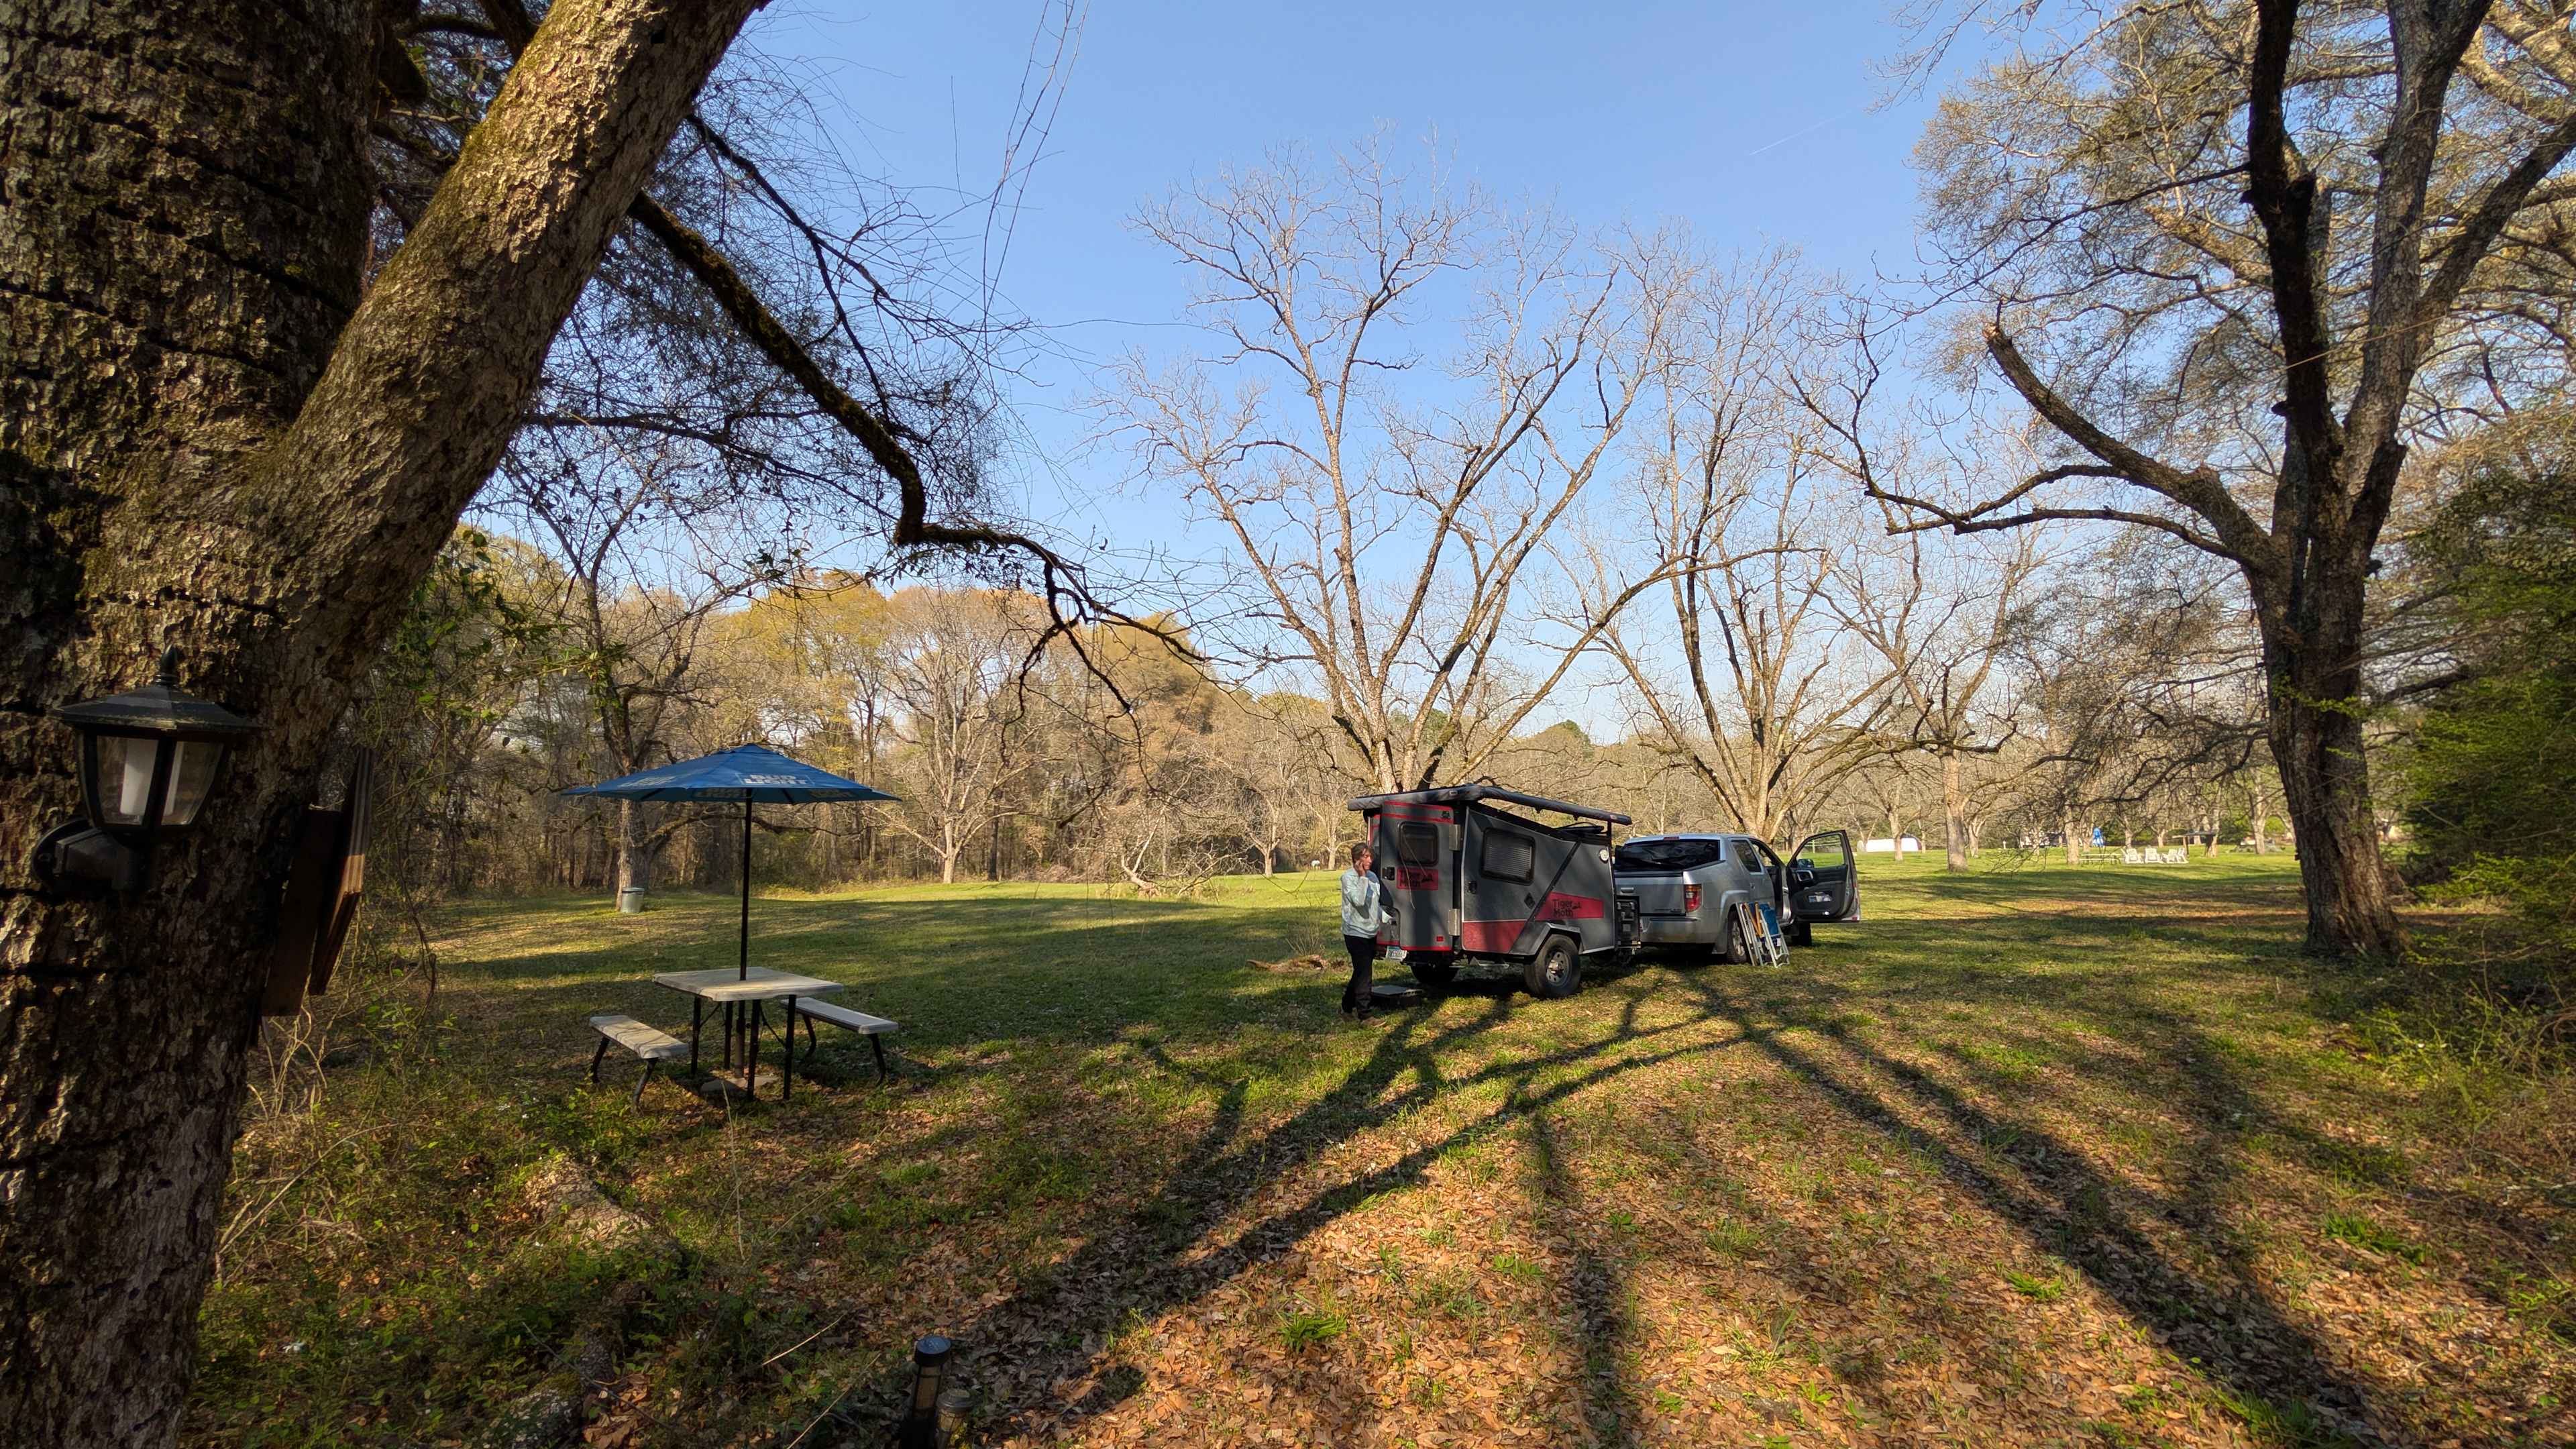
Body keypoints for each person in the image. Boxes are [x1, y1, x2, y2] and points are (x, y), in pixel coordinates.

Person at [1338, 841, 1389, 1020]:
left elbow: (1374, 905)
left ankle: (1346, 1007)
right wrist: (1362, 877)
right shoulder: (1348, 878)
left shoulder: (1373, 877)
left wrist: (1388, 919)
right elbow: (1359, 902)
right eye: (1366, 857)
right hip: (1355, 932)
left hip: (1370, 932)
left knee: (1360, 972)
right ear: (1356, 859)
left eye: (1371, 856)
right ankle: (1365, 1015)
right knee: (1365, 974)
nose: (1370, 860)